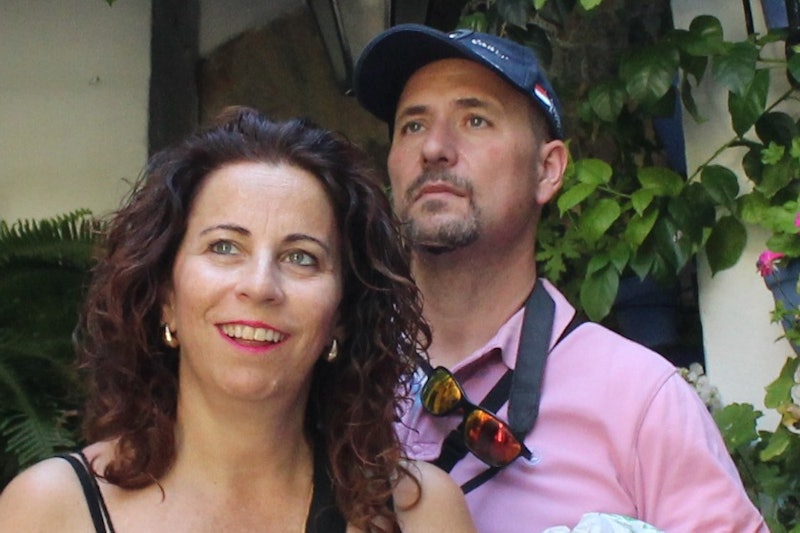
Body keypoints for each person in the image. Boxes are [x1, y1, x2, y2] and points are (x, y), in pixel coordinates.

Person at [353, 24, 768, 532]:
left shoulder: (638, 401)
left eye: (475, 120)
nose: (434, 147)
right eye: (413, 125)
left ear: (548, 169)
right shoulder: (337, 374)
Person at [0, 107, 477, 533]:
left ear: (342, 316)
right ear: (165, 296)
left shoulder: (418, 514)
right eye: (224, 247)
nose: (260, 285)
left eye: (301, 257)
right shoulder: (51, 511)